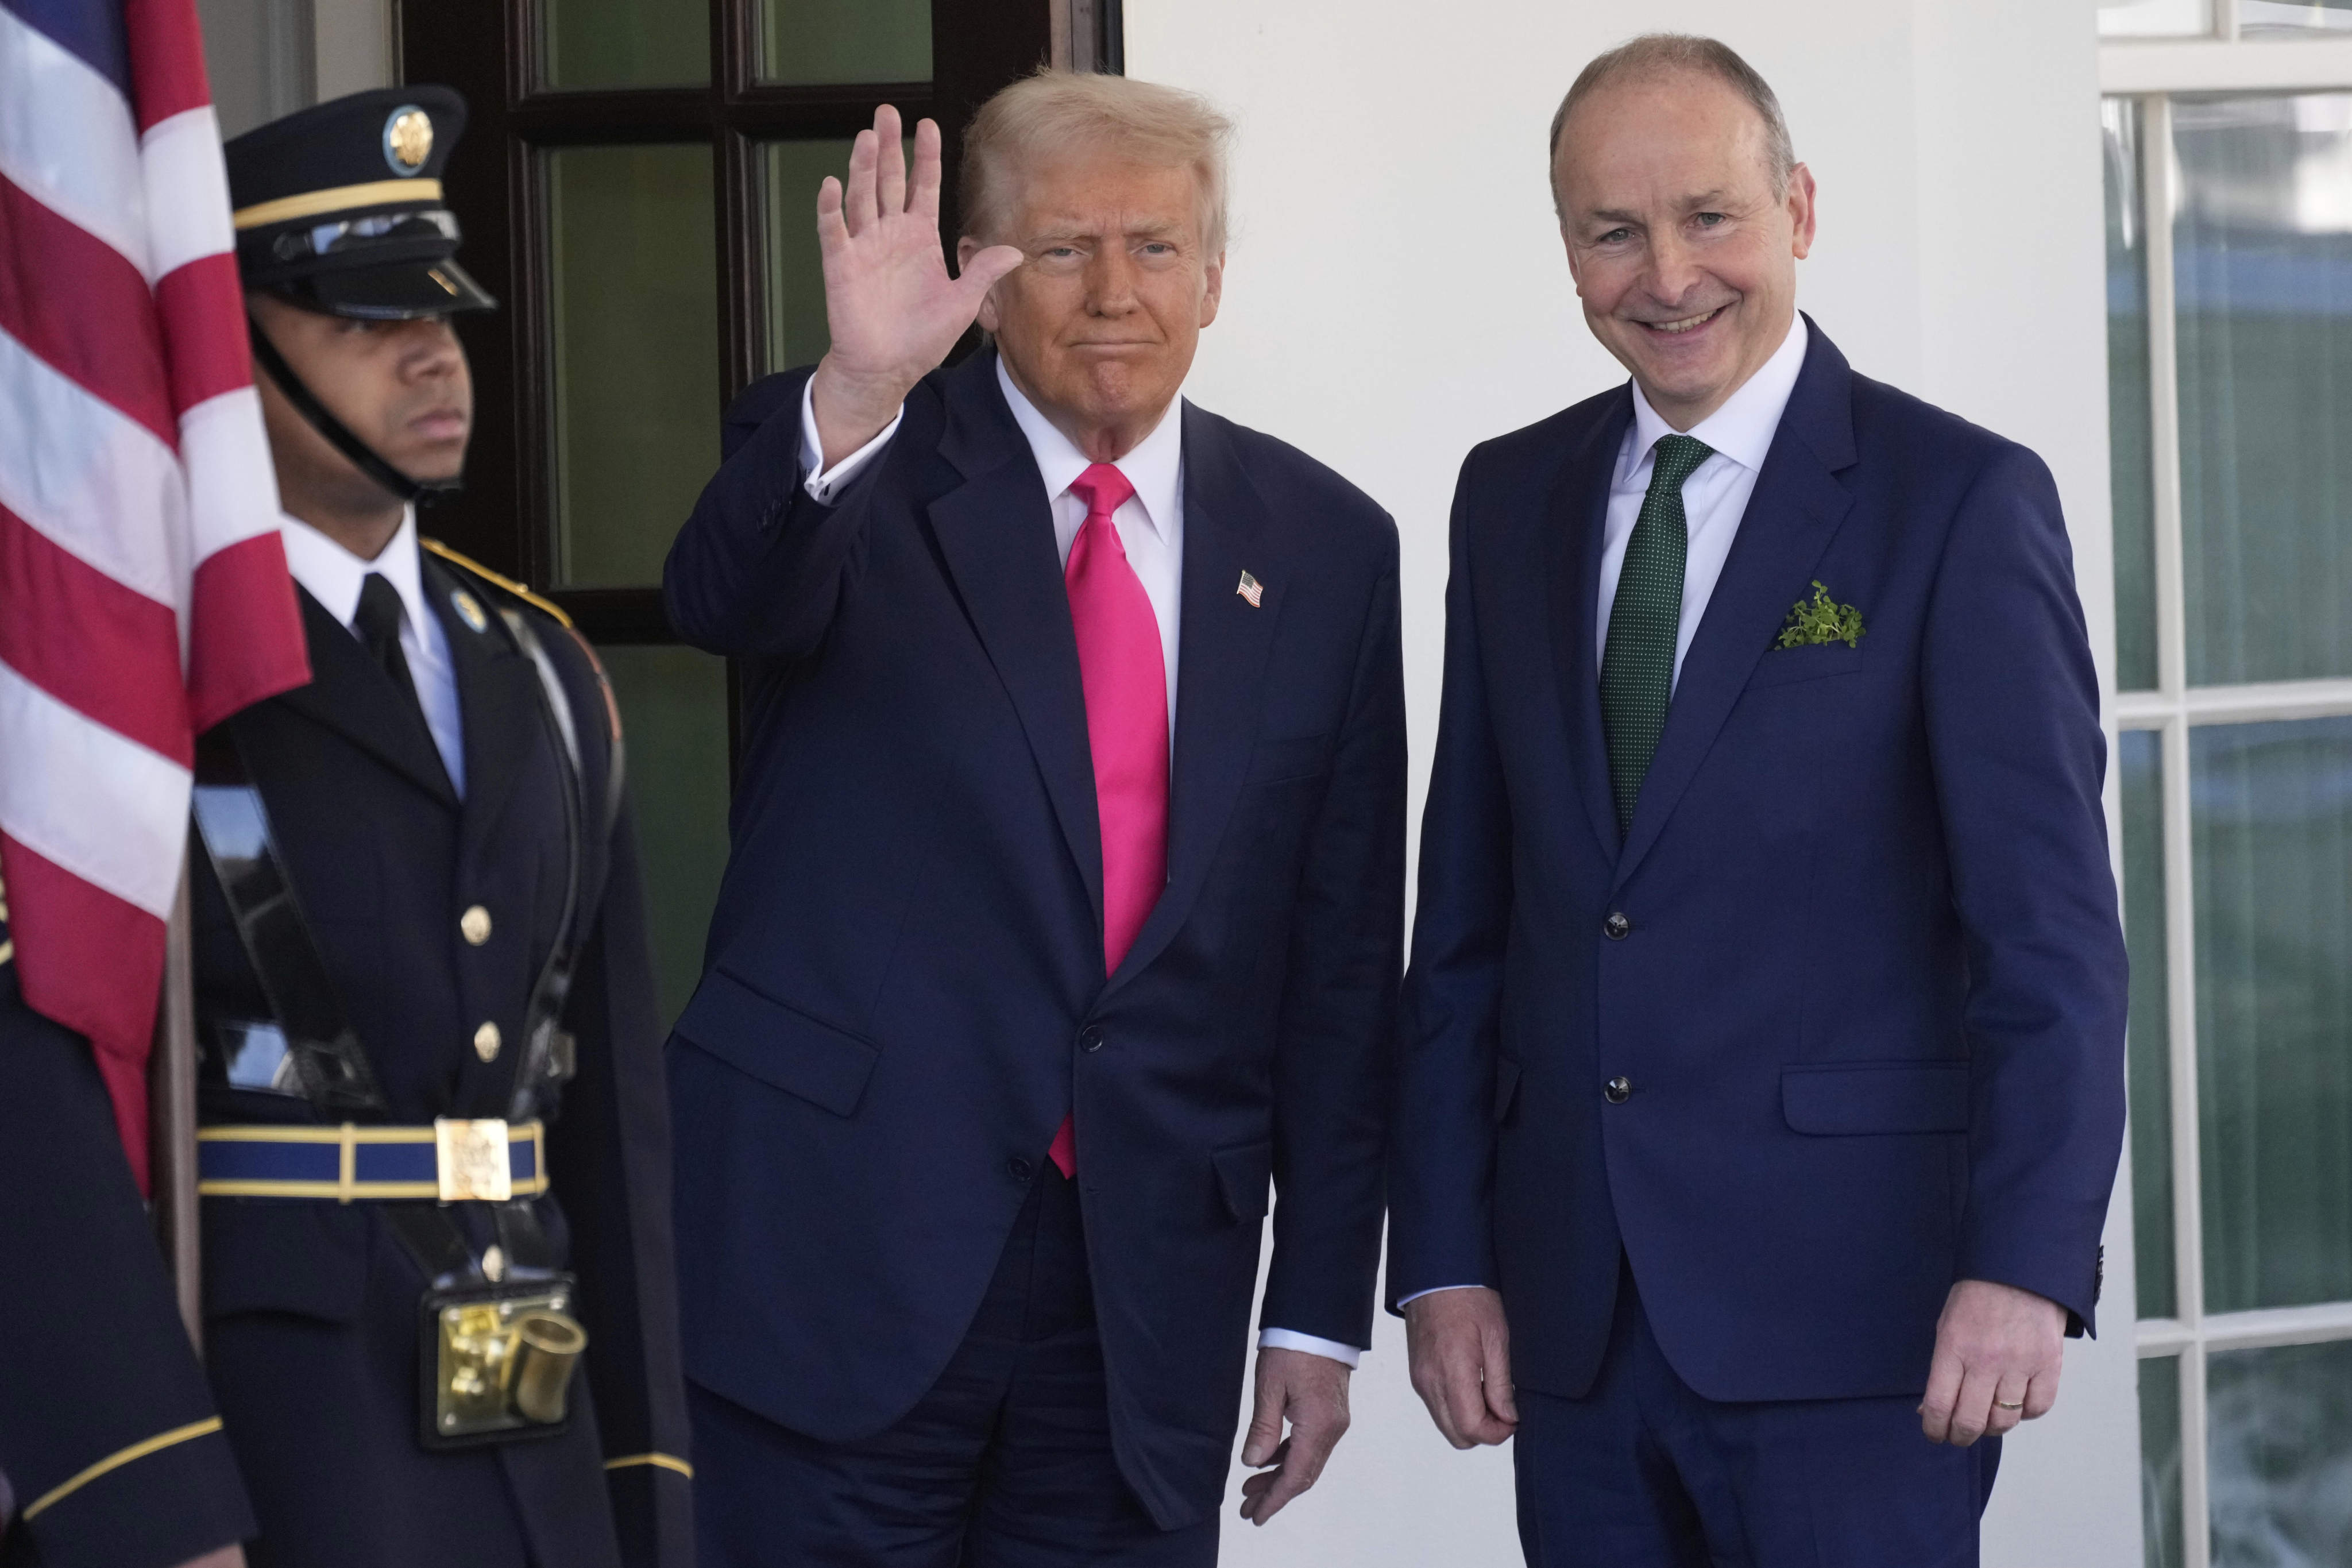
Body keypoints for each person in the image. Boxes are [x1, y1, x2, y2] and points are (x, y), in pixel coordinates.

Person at [1389, 34, 2128, 1567]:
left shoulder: (1958, 502)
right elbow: (1465, 922)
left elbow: (2049, 938)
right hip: (1574, 1329)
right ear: (1568, 248)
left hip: (1862, 1324)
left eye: (1710, 217)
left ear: (1798, 208)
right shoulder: (1509, 496)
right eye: (1613, 231)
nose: (1666, 275)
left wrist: (2027, 1261)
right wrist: (1445, 1255)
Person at [663, 69, 1404, 1567]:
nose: (1115, 291)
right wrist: (861, 387)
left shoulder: (1327, 544)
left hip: (1143, 1299)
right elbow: (722, 595)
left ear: (1214, 280)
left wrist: (1320, 1305)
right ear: (983, 286)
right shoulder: (862, 461)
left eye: (1155, 248)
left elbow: (1337, 961)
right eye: (1062, 250)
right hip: (841, 1259)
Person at [184, 87, 686, 1567]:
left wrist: (648, 1476)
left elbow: (609, 1117)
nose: (432, 358)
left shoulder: (538, 669)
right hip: (279, 1418)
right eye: (364, 321)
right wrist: (139, 1494)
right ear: (237, 353)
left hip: (534, 1402)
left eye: (443, 318)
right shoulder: (159, 677)